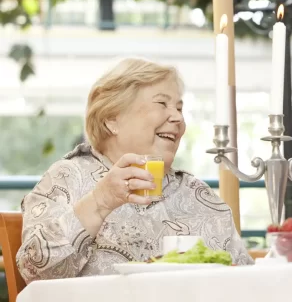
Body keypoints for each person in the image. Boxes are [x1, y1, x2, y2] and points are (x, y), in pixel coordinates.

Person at [16, 58, 253, 281]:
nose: (178, 118)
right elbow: (34, 270)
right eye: (162, 103)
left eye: (179, 108)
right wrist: (100, 202)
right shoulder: (68, 178)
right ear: (112, 119)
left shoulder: (197, 194)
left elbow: (244, 280)